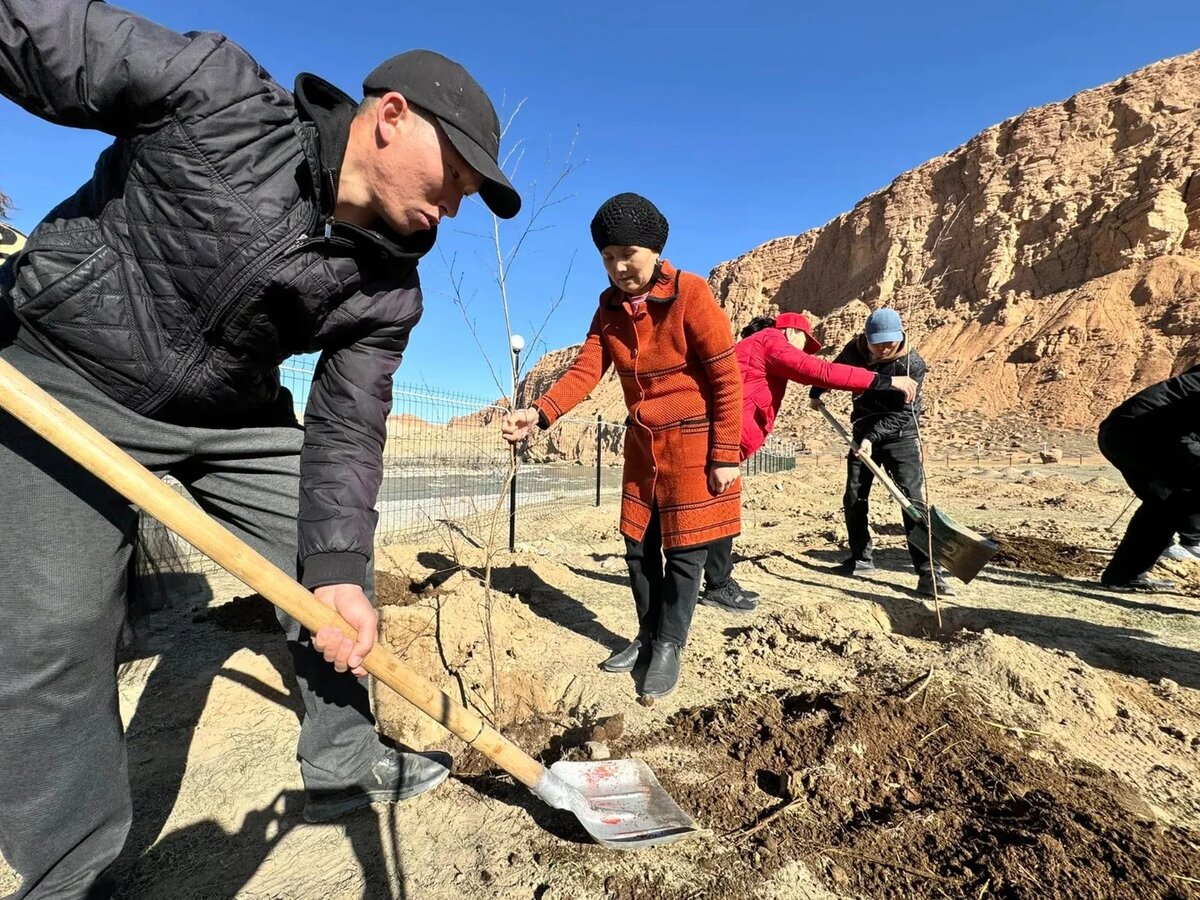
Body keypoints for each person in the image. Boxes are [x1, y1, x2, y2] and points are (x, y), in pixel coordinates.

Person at [0, 3, 521, 896]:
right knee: (49, 631)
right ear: (390, 115)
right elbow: (33, 33)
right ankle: (70, 875)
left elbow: (349, 429)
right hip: (61, 374)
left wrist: (340, 566)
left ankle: (343, 765)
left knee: (331, 577)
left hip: (230, 416)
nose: (456, 202)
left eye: (472, 192)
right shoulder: (214, 94)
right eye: (456, 173)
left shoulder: (390, 287)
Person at [502, 193, 741, 699]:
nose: (618, 266)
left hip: (693, 445)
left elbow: (726, 377)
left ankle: (670, 645)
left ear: (654, 249)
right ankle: (647, 634)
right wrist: (540, 412)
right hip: (642, 447)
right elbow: (587, 370)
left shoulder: (691, 294)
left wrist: (724, 453)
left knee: (685, 552)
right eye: (607, 257)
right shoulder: (608, 309)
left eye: (627, 252)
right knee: (637, 548)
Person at [699, 312, 919, 613]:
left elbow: (818, 373)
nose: (803, 349)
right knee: (718, 511)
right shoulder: (772, 341)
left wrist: (868, 427)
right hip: (723, 442)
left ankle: (719, 582)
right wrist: (882, 381)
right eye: (805, 342)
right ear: (792, 331)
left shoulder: (913, 364)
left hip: (897, 435)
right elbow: (821, 371)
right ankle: (716, 584)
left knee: (721, 510)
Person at [808, 308, 953, 597]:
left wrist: (872, 438)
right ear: (867, 337)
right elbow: (837, 372)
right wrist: (816, 392)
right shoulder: (857, 349)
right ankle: (861, 559)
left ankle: (928, 572)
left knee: (911, 500)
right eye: (878, 343)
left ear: (900, 336)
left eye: (889, 342)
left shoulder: (912, 364)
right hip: (863, 429)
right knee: (853, 496)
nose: (883, 348)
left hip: (900, 436)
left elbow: (905, 414)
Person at [1098, 364, 1200, 592]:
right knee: (1177, 498)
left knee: (1163, 505)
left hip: (1118, 432)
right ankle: (1194, 539)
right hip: (1145, 434)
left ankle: (1123, 576)